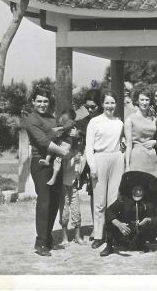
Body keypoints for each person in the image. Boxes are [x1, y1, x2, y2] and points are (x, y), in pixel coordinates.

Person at [23, 87, 72, 256]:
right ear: (33, 102)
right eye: (39, 101)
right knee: (44, 202)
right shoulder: (31, 119)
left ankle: (48, 237)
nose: (43, 104)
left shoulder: (51, 118)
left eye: (45, 101)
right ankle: (40, 243)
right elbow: (43, 141)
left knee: (53, 201)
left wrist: (57, 134)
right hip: (41, 163)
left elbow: (56, 134)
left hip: (54, 162)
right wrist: (63, 151)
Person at [84, 91, 126, 250]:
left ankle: (111, 235)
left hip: (116, 159)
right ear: (102, 104)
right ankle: (98, 235)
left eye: (113, 103)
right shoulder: (94, 122)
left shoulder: (119, 122)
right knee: (100, 201)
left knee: (113, 201)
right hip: (100, 159)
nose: (110, 106)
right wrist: (92, 167)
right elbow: (89, 147)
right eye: (107, 103)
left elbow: (123, 141)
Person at [100, 171, 157, 256]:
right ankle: (109, 247)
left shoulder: (150, 203)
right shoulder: (124, 200)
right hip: (124, 233)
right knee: (110, 220)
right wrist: (118, 224)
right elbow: (109, 211)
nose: (137, 193)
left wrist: (149, 220)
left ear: (144, 192)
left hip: (140, 235)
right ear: (131, 190)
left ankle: (141, 245)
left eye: (140, 190)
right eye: (135, 190)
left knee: (155, 224)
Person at [54, 108, 84, 246]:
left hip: (73, 182)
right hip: (63, 182)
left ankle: (78, 236)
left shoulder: (76, 141)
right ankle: (65, 237)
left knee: (76, 209)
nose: (63, 123)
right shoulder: (60, 142)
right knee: (64, 210)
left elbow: (78, 158)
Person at [75, 89, 102, 229]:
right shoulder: (81, 123)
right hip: (91, 163)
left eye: (93, 107)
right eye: (88, 107)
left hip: (106, 159)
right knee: (94, 194)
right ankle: (96, 227)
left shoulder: (107, 119)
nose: (90, 110)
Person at [124, 88, 157, 178]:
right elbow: (128, 144)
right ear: (137, 101)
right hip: (137, 158)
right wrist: (127, 166)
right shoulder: (130, 119)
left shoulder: (154, 119)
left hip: (151, 157)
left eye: (147, 100)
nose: (144, 102)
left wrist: (155, 142)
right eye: (142, 99)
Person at [43, 109, 79, 186]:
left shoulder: (71, 122)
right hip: (61, 143)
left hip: (66, 144)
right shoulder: (63, 124)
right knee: (51, 148)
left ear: (68, 117)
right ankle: (47, 160)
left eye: (62, 117)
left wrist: (58, 128)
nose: (60, 118)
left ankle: (53, 177)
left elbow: (67, 126)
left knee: (58, 159)